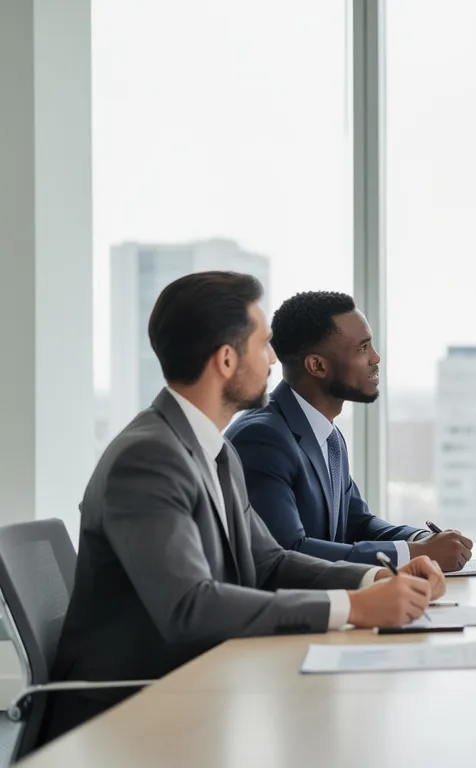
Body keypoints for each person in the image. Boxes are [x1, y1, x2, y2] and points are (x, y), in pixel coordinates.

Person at [42, 272, 445, 745]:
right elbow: (190, 607)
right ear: (227, 360)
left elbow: (270, 562)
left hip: (200, 689)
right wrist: (353, 607)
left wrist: (375, 579)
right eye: (263, 344)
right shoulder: (148, 458)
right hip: (127, 719)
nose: (273, 359)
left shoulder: (214, 450)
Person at [227, 291, 472, 571]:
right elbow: (288, 554)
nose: (376, 357)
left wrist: (420, 539)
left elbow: (358, 523)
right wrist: (414, 553)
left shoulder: (327, 435)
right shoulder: (262, 439)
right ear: (317, 365)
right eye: (363, 348)